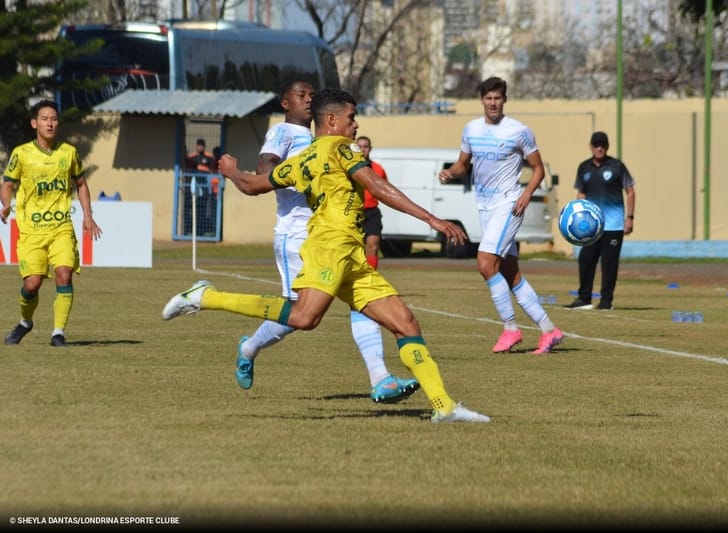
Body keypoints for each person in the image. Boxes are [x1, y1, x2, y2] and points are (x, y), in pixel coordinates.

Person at [163, 88, 489, 423]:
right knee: (304, 318)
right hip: (328, 248)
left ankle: (444, 407)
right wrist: (432, 219)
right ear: (332, 120)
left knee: (405, 323)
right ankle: (205, 297)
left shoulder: (301, 160)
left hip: (351, 256)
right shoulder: (340, 148)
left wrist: (232, 172)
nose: (356, 124)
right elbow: (376, 186)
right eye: (351, 117)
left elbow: (251, 185)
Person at [220, 81, 418, 403]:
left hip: (330, 232)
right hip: (296, 233)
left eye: (312, 94)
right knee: (300, 317)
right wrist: (301, 170)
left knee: (359, 298)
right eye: (301, 95)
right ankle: (248, 346)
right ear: (285, 103)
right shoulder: (282, 134)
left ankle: (380, 377)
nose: (309, 98)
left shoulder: (326, 138)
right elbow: (264, 169)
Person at [438, 76, 563, 355]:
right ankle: (549, 329)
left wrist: (526, 193)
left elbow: (538, 169)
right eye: (488, 98)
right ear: (482, 100)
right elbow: (462, 165)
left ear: (504, 100)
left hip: (509, 204)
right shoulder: (470, 129)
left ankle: (510, 329)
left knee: (484, 262)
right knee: (509, 271)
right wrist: (450, 173)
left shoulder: (519, 131)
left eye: (497, 98)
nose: (493, 103)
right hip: (483, 206)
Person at [0, 99, 103, 347]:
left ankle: (58, 333)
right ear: (35, 123)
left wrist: (88, 217)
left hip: (61, 228)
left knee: (64, 274)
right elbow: (7, 184)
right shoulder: (21, 154)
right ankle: (25, 322)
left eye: (54, 119)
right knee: (32, 284)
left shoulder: (68, 153)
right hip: (32, 232)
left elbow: (81, 184)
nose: (50, 123)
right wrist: (5, 205)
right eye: (45, 118)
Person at [564, 131, 636, 311]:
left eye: (602, 145)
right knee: (586, 259)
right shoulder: (584, 168)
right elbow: (581, 194)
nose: (599, 148)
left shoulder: (617, 166)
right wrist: (577, 219)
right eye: (596, 145)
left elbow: (630, 191)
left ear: (607, 147)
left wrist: (630, 218)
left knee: (609, 263)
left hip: (613, 225)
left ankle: (606, 301)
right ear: (591, 146)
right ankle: (584, 298)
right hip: (591, 226)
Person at [355, 135, 387, 269]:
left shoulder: (378, 169)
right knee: (353, 249)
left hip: (371, 212)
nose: (363, 150)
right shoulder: (347, 167)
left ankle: (371, 278)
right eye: (360, 147)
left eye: (365, 147)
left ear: (370, 149)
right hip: (354, 211)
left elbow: (385, 189)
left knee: (373, 244)